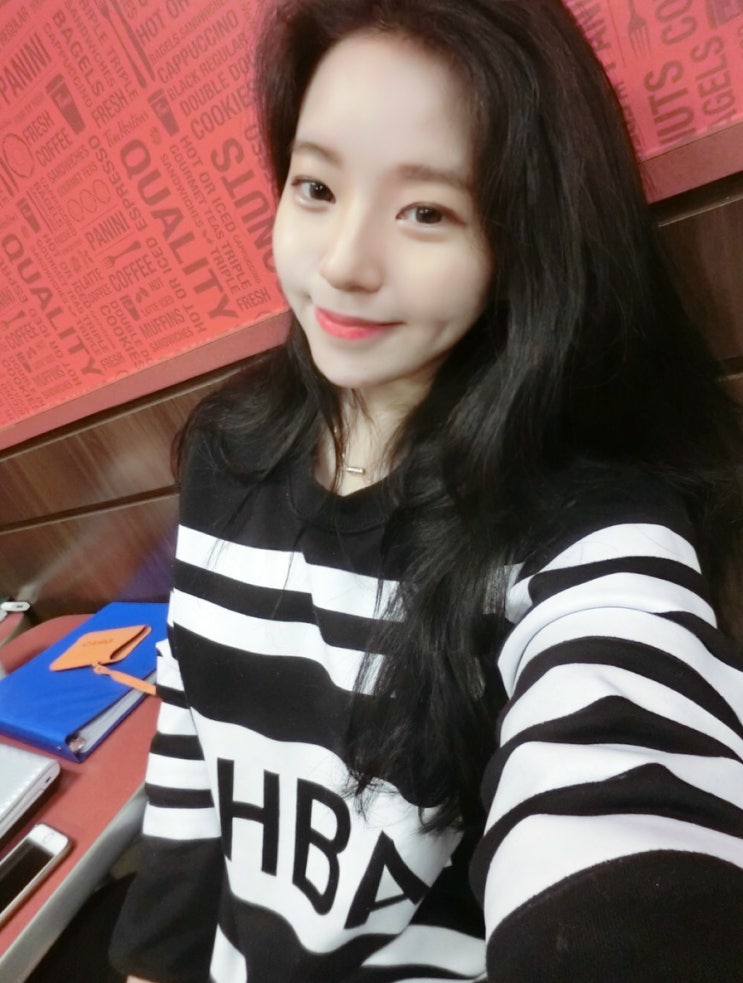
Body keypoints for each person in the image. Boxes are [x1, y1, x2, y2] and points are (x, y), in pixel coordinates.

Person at [110, 0, 743, 980]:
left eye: (426, 211)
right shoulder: (228, 450)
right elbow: (191, 716)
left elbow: (630, 782)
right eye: (316, 187)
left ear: (520, 241)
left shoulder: (580, 527)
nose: (342, 263)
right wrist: (151, 963)